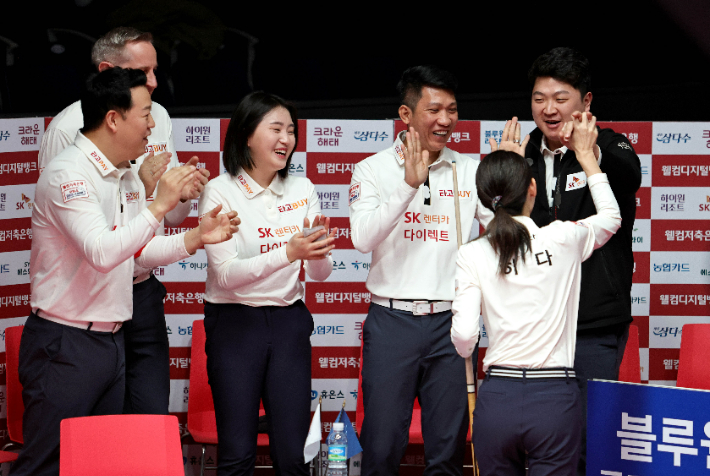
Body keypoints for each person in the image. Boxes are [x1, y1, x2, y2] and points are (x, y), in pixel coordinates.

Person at [12, 67, 238, 476]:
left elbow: (134, 256)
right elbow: (101, 251)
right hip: (65, 345)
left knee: (99, 465)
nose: (154, 125)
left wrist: (196, 239)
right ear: (114, 119)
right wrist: (159, 205)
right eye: (146, 114)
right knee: (44, 466)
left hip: (112, 342)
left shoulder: (128, 176)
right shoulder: (69, 174)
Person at [38, 26, 209, 415]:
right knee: (86, 438)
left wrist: (180, 195)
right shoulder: (66, 133)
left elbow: (162, 212)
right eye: (141, 73)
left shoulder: (158, 116)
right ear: (106, 71)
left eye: (155, 71)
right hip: (85, 304)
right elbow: (87, 240)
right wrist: (155, 199)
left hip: (141, 289)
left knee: (148, 418)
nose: (154, 83)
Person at [451, 113, 622, 476]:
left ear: (485, 196)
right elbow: (610, 217)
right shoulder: (562, 237)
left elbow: (465, 339)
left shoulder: (472, 253)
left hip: (497, 400)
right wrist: (589, 160)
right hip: (554, 401)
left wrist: (504, 167)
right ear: (532, 188)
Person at [349, 65, 492, 476]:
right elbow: (362, 238)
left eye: (452, 109)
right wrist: (408, 185)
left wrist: (510, 177)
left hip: (452, 324)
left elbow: (503, 231)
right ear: (406, 115)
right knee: (381, 444)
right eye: (434, 110)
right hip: (392, 321)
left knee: (447, 449)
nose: (446, 120)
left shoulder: (468, 169)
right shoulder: (372, 169)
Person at [198, 91, 336, 476]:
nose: (286, 140)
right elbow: (226, 275)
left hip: (289, 321)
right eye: (275, 129)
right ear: (245, 135)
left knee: (292, 454)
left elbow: (321, 274)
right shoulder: (220, 191)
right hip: (234, 325)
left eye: (291, 130)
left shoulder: (302, 189)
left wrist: (319, 251)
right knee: (238, 452)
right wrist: (289, 253)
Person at [523, 47, 641, 474]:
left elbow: (631, 175)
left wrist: (592, 156)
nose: (549, 109)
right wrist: (507, 170)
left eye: (561, 98)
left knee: (591, 444)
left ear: (585, 102)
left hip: (593, 326)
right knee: (541, 442)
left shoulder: (609, 145)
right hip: (536, 328)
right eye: (539, 99)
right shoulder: (526, 154)